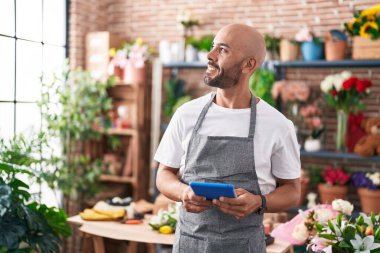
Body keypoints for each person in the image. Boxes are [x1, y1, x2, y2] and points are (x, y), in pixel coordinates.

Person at [154, 24, 301, 253]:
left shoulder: (278, 125)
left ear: (248, 65)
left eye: (222, 50)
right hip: (189, 244)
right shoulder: (186, 114)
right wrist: (183, 193)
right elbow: (164, 174)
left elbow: (292, 190)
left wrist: (259, 202)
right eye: (213, 47)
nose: (209, 56)